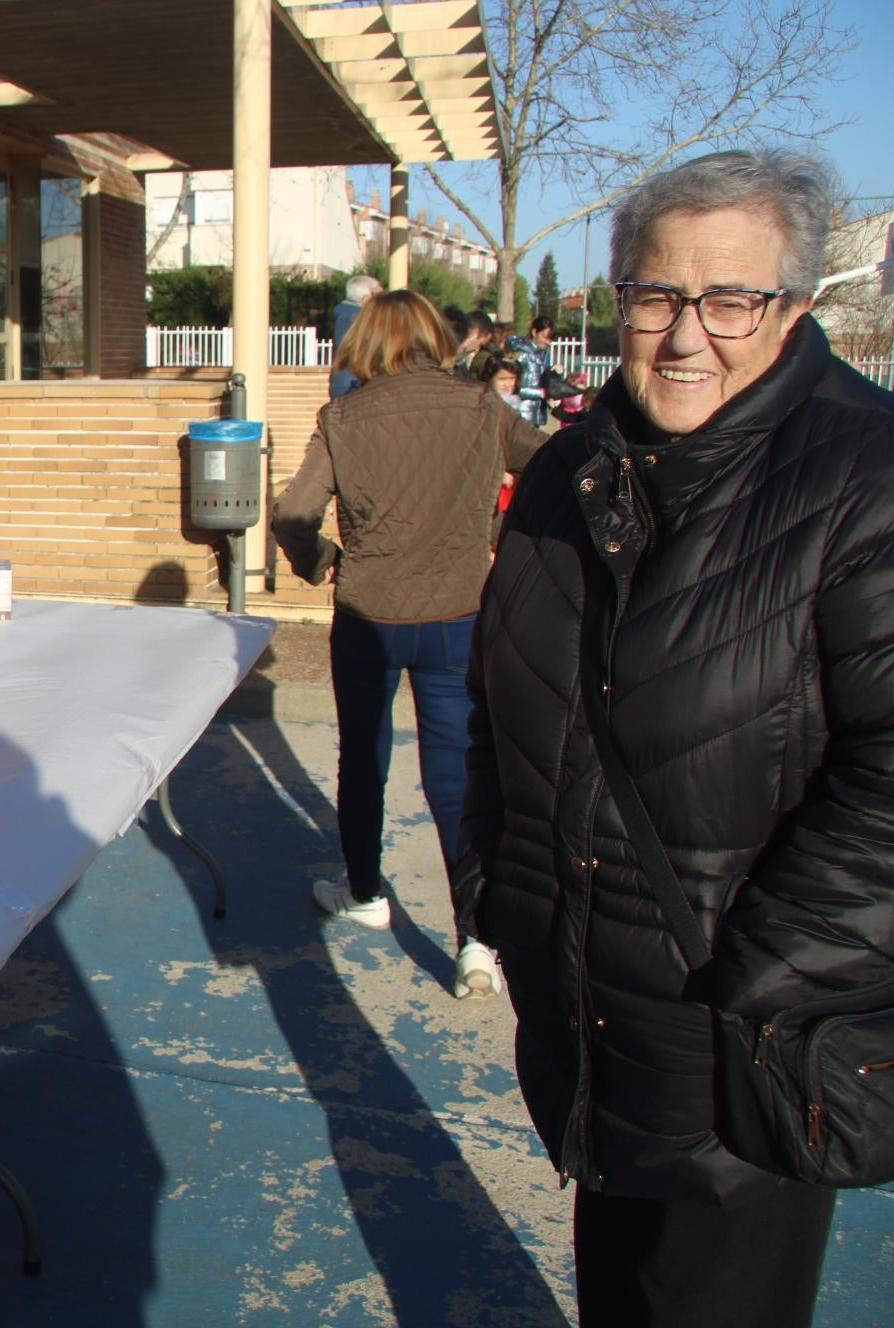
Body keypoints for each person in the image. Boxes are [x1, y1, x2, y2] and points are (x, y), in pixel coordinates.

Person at [456, 149, 894, 1326]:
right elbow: (496, 699)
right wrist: (501, 887)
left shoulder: (867, 473)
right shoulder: (568, 471)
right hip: (589, 1021)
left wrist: (757, 981)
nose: (687, 335)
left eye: (731, 300)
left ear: (797, 307)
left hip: (744, 1054)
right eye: (656, 296)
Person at [271, 291, 545, 998]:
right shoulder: (484, 407)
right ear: (435, 336)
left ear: (365, 342)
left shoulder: (343, 418)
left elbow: (294, 512)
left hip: (369, 614)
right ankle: (477, 939)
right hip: (458, 612)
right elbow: (551, 471)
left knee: (363, 757)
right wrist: (495, 540)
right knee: (455, 772)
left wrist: (319, 559)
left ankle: (364, 891)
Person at [327, 273, 383, 399]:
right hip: (353, 387)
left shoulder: (346, 316)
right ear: (366, 299)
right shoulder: (354, 319)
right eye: (379, 296)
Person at [505, 315, 557, 424]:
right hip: (520, 413)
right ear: (534, 332)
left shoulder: (546, 355)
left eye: (550, 339)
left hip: (537, 415)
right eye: (544, 337)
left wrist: (557, 375)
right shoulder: (517, 352)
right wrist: (541, 393)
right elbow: (510, 386)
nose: (548, 342)